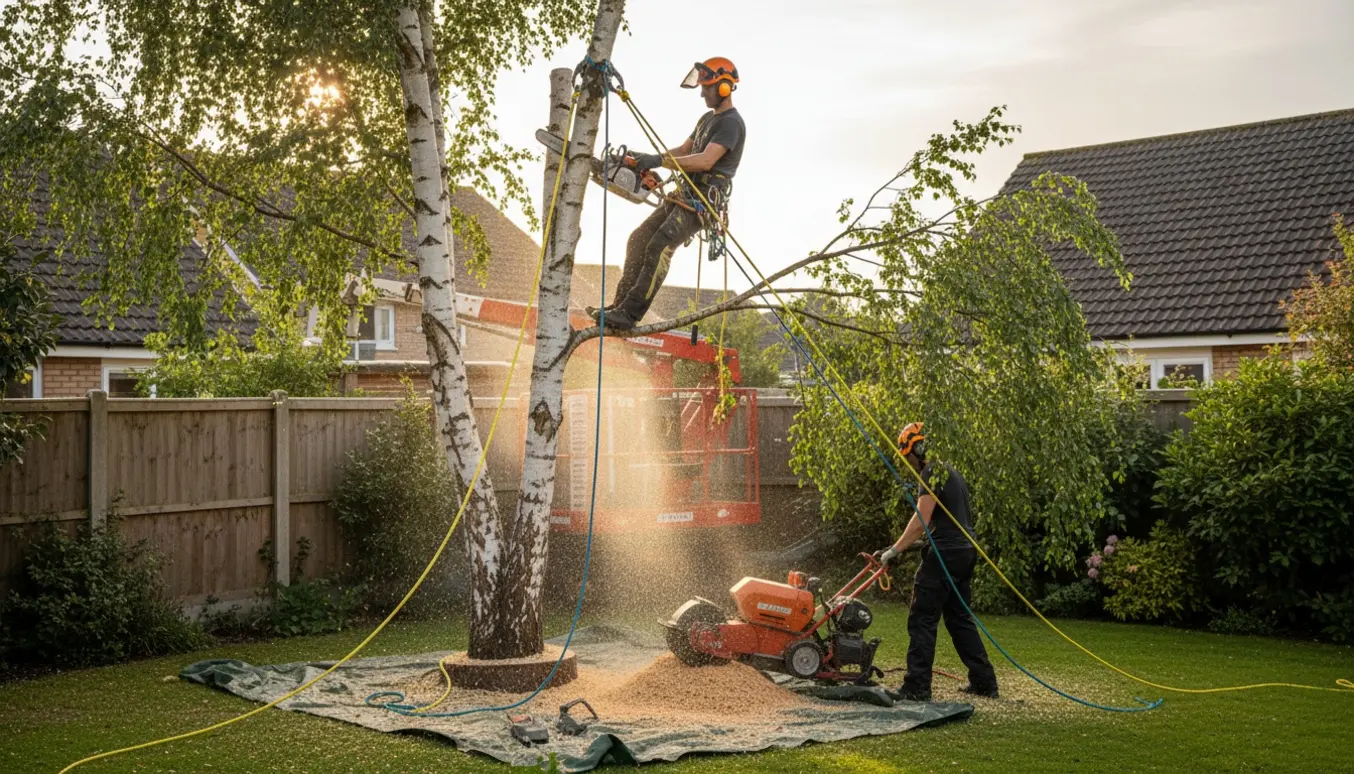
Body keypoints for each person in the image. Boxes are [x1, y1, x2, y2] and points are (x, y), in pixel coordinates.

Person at [588, 57, 746, 330]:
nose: (702, 93)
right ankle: (620, 306)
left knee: (659, 247)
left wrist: (659, 162)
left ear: (724, 88)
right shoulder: (706, 120)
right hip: (685, 194)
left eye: (706, 88)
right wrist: (647, 159)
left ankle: (630, 315)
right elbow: (685, 152)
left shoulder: (731, 123)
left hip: (702, 201)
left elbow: (706, 161)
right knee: (638, 240)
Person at [876, 422, 999, 701]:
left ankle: (917, 686)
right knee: (959, 619)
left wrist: (894, 550)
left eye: (906, 454)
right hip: (965, 552)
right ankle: (984, 682)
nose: (907, 462)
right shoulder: (951, 471)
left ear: (916, 449)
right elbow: (944, 523)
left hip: (945, 555)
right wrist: (910, 545)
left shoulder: (931, 472)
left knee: (922, 618)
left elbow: (922, 520)